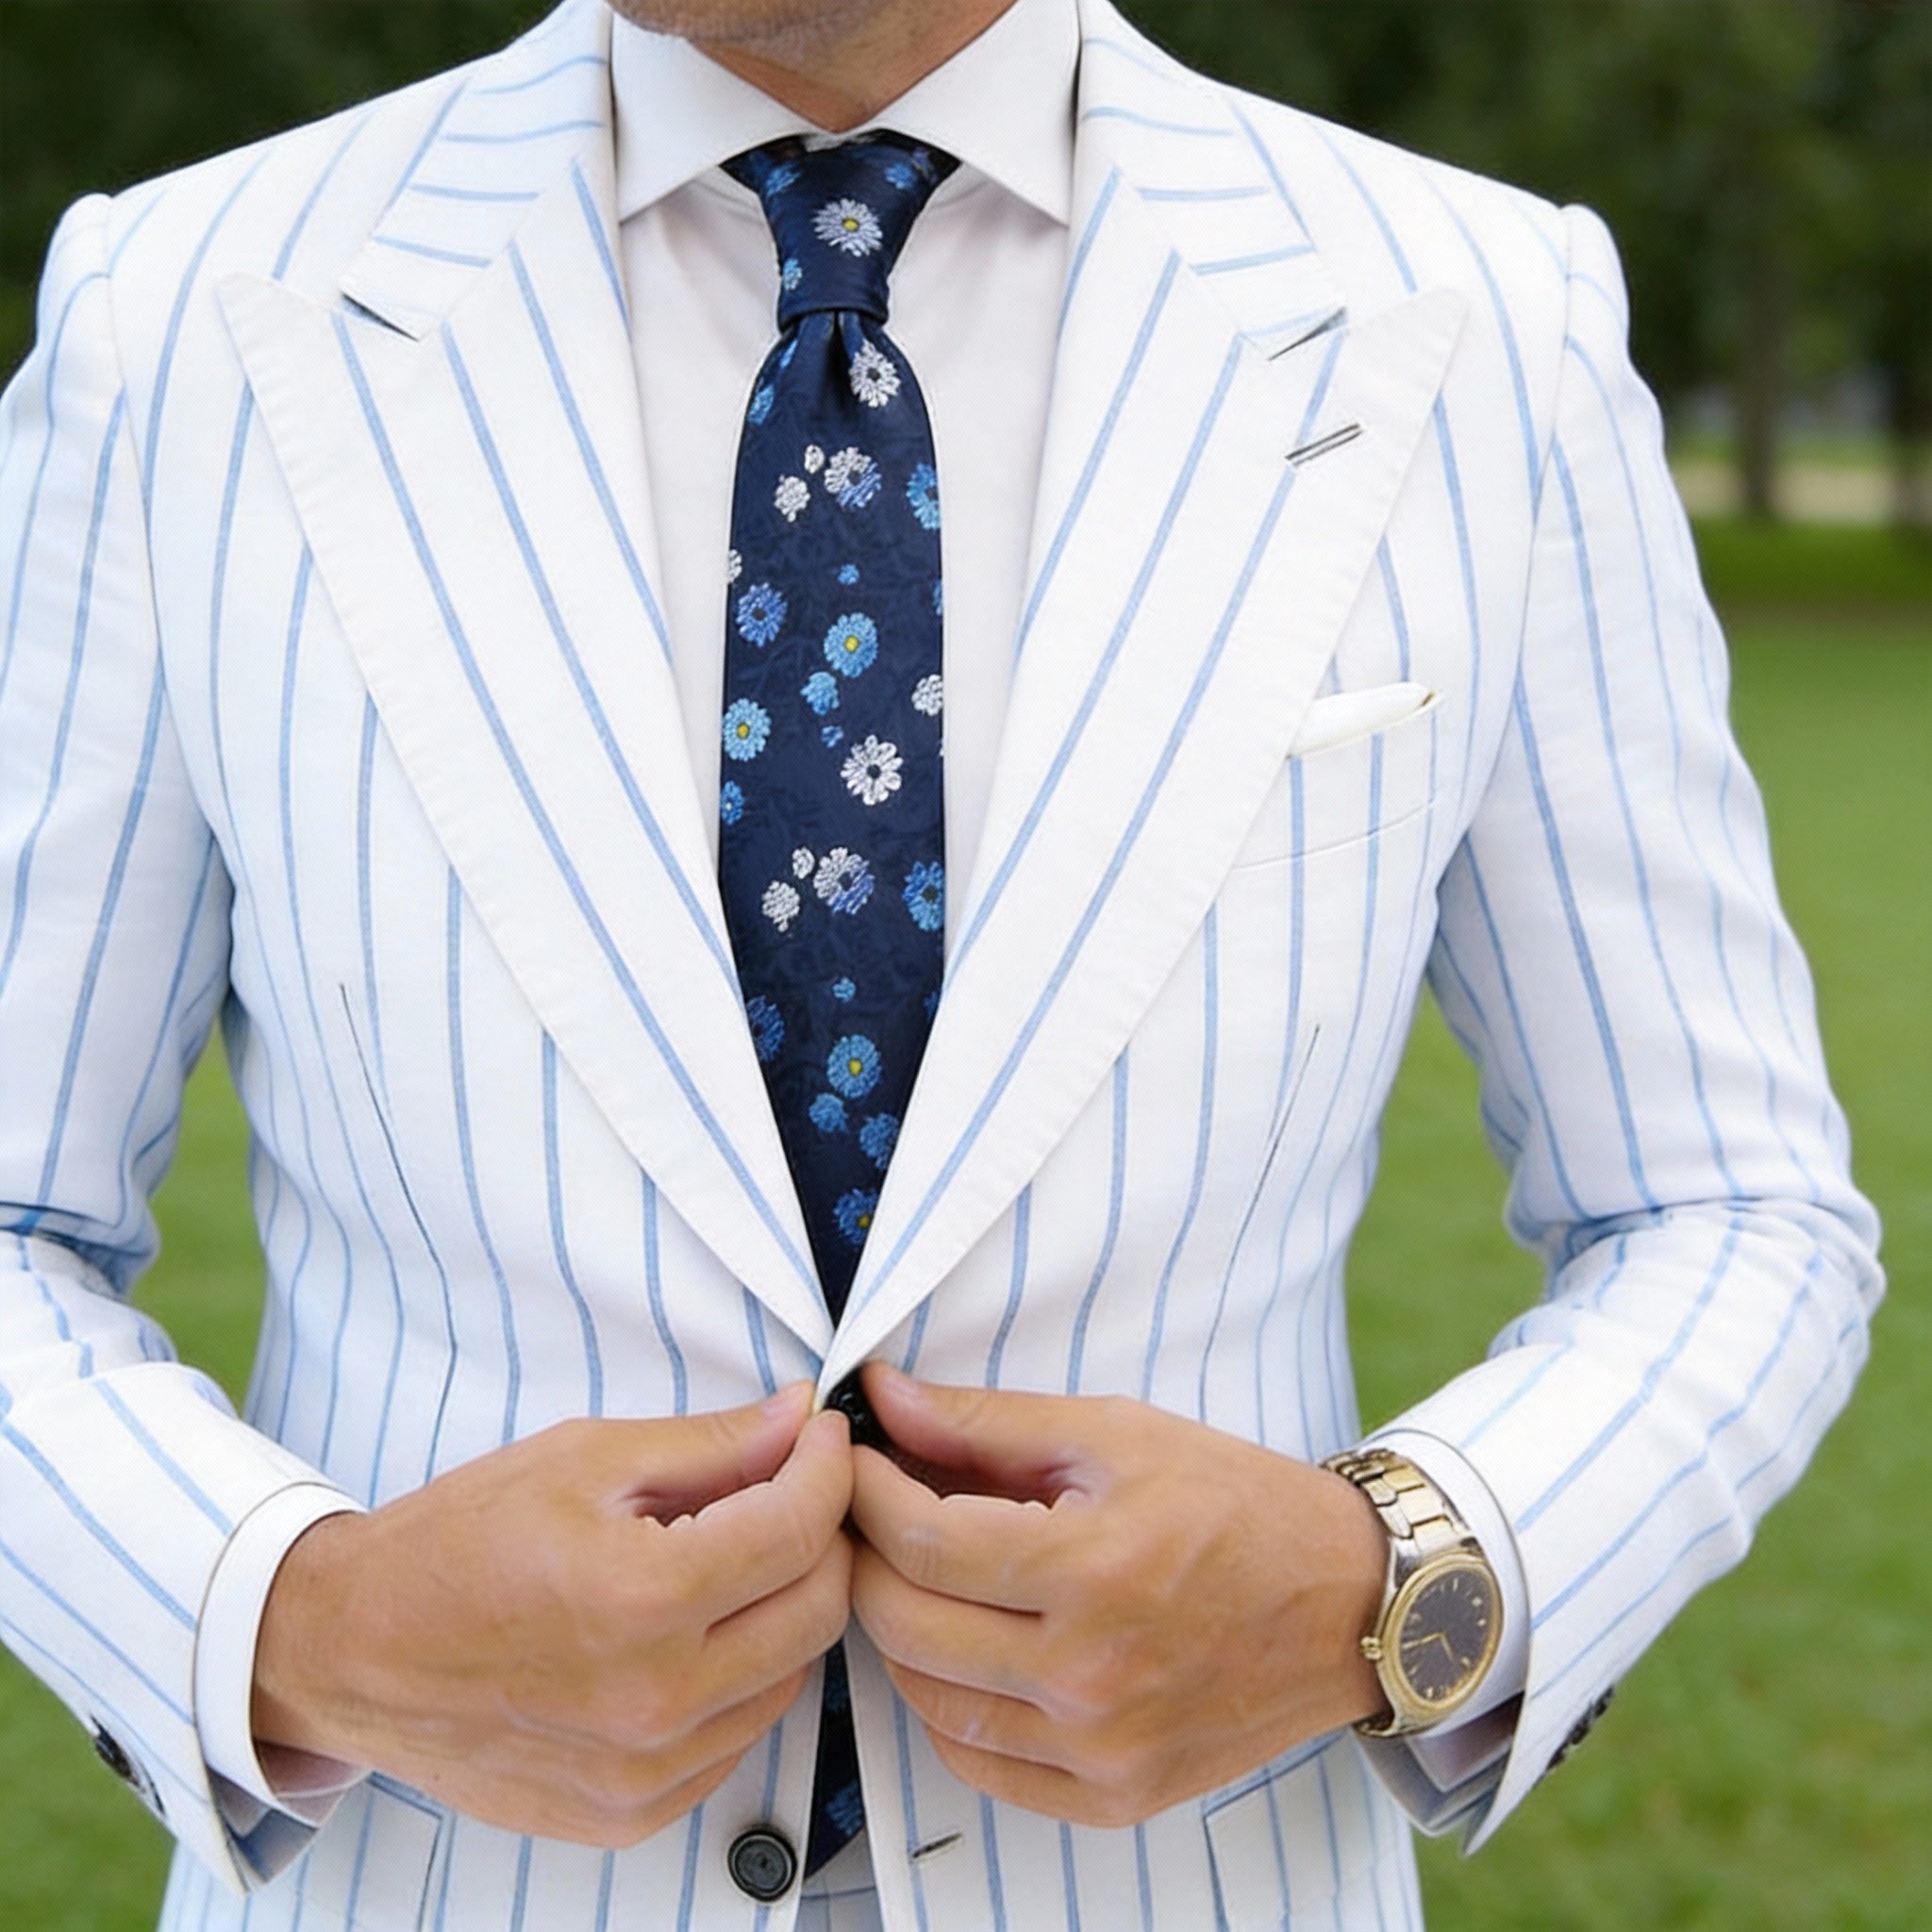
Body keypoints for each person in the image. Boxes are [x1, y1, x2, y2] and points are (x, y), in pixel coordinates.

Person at [0, 0, 1881, 1925]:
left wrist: (1380, 1585)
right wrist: (305, 1623)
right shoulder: (182, 318)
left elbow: (1729, 1210)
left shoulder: (1483, 320)